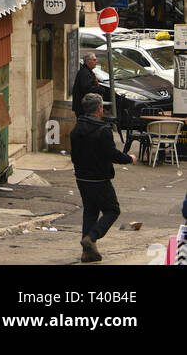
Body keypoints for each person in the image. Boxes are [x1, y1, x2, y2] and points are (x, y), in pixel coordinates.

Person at [69, 92, 135, 263]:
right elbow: (112, 154)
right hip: (99, 178)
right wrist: (129, 159)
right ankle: (91, 237)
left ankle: (88, 252)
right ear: (99, 109)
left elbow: (74, 155)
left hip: (82, 178)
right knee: (112, 210)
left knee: (90, 212)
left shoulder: (77, 128)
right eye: (102, 107)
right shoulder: (103, 130)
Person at [72, 50, 99, 117]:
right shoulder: (84, 73)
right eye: (94, 60)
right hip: (83, 108)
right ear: (87, 61)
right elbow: (87, 89)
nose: (96, 62)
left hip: (85, 106)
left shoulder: (88, 71)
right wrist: (100, 89)